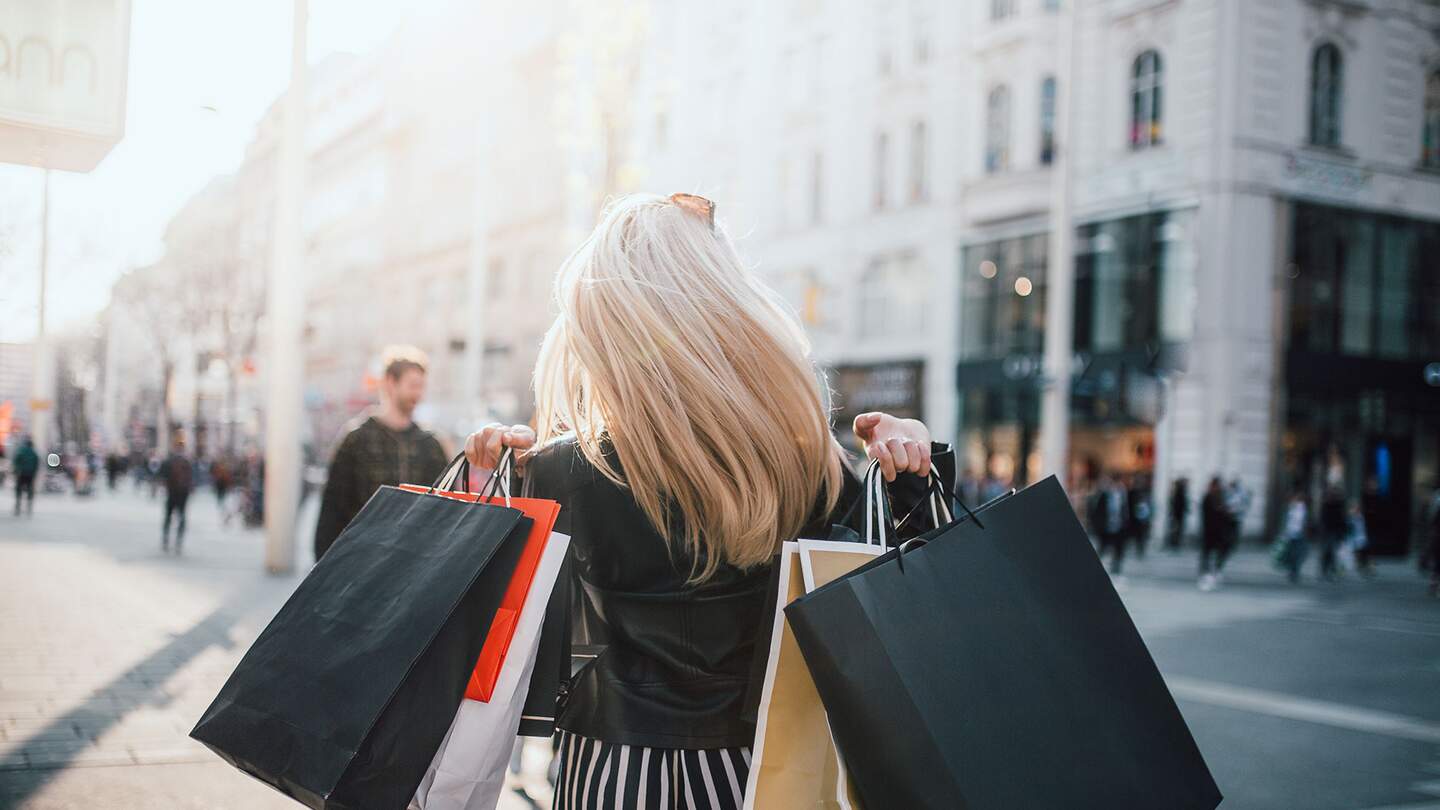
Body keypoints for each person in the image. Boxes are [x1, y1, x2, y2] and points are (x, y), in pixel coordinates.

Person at [462, 193, 953, 809]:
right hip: (758, 764)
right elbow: (908, 580)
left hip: (612, 766)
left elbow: (494, 618)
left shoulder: (564, 468)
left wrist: (490, 485)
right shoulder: (797, 458)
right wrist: (908, 469)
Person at [313, 346, 449, 561]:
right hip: (361, 562)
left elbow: (446, 511)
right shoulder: (356, 439)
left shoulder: (431, 445)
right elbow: (332, 512)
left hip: (415, 564)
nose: (418, 394)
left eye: (421, 386)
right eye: (413, 385)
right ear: (389, 383)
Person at [159, 438, 195, 554]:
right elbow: (192, 478)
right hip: (182, 494)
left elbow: (162, 476)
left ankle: (166, 539)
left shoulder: (170, 460)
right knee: (181, 517)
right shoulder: (187, 462)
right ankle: (177, 542)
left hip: (173, 493)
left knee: (169, 517)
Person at [1090, 473, 1129, 577]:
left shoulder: (1124, 495)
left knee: (1118, 548)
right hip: (1106, 527)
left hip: (1119, 527)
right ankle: (1095, 567)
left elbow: (1126, 512)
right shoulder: (1104, 495)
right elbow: (1097, 512)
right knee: (1102, 547)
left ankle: (1115, 566)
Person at [1198, 476, 1232, 591]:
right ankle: (1205, 574)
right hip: (1209, 531)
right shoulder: (1208, 497)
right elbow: (1208, 514)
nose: (1218, 488)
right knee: (1207, 553)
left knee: (1221, 551)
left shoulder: (1220, 498)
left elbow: (1224, 513)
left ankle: (1215, 570)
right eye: (1216, 485)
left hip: (1219, 531)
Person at [1275, 489, 1310, 584]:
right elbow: (1285, 521)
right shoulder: (1290, 508)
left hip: (1299, 535)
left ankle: (1294, 571)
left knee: (1298, 554)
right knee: (1291, 554)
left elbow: (1304, 522)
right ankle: (1292, 570)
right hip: (1290, 534)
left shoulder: (1302, 509)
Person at [1317, 485, 1347, 580]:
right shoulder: (1327, 505)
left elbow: (1341, 520)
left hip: (1333, 532)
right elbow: (1323, 519)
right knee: (1327, 552)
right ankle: (1325, 571)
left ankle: (1329, 571)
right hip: (1328, 532)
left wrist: (1342, 532)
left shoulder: (1338, 505)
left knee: (1331, 552)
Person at [11, 436, 39, 517]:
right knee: (30, 489)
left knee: (19, 489)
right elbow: (37, 464)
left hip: (21, 473)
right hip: (30, 474)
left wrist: (16, 470)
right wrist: (34, 473)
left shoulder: (21, 451)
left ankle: (18, 505)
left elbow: (16, 460)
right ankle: (29, 506)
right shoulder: (34, 453)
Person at [1128, 473, 1153, 560]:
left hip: (1144, 518)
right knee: (1136, 535)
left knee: (1142, 536)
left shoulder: (1147, 491)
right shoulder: (1131, 492)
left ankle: (1140, 549)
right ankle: (1136, 549)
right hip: (1135, 519)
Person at [1166, 476, 1189, 550]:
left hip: (1176, 515)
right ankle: (1174, 543)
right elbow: (1179, 504)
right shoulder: (1179, 493)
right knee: (1176, 530)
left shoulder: (1176, 493)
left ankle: (1174, 543)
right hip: (1177, 515)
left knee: (1175, 530)